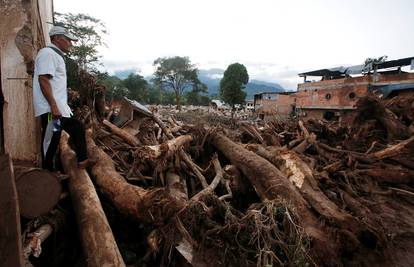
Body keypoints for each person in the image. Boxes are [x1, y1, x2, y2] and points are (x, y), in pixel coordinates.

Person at [33, 26, 90, 171]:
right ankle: (46, 173)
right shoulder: (47, 53)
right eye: (68, 39)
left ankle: (82, 162)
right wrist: (53, 105)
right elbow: (43, 80)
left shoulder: (56, 55)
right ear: (57, 38)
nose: (71, 43)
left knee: (75, 128)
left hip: (58, 110)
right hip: (51, 110)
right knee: (51, 139)